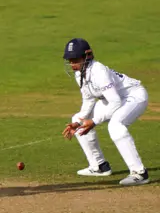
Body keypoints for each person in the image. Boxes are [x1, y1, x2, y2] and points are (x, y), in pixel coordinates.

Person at [61, 38, 149, 186]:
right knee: (77, 117)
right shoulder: (80, 74)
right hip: (115, 99)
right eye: (70, 60)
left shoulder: (99, 71)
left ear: (87, 56)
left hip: (133, 96)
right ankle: (99, 166)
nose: (72, 64)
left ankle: (140, 173)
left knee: (116, 126)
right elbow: (88, 99)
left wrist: (94, 122)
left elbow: (115, 102)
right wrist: (78, 122)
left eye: (75, 59)